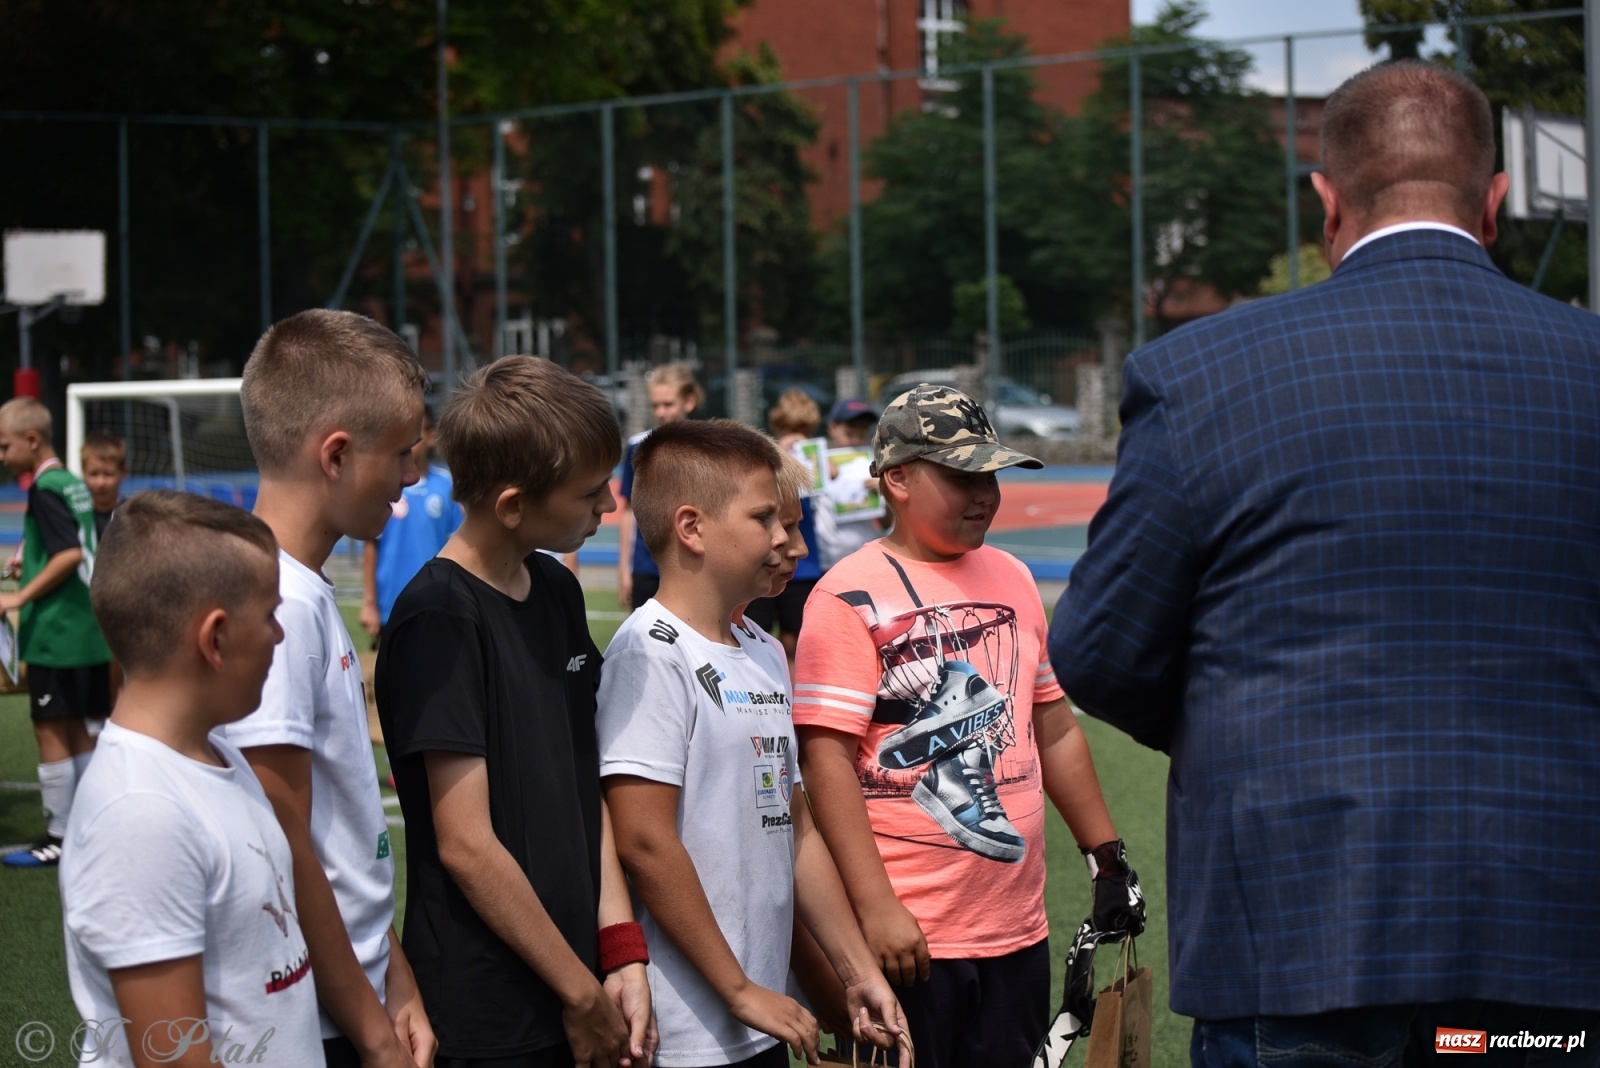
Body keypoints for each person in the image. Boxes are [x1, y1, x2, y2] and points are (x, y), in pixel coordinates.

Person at [1050, 60, 1600, 1066]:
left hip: (1295, 927)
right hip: (1548, 938)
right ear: (1496, 200)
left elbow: (1099, 649)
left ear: (1325, 199)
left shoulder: (1199, 374)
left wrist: (1249, 717)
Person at [793, 384, 1144, 1068]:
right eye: (960, 476)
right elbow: (825, 759)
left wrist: (1106, 855)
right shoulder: (846, 594)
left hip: (1015, 926)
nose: (983, 494)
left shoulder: (1011, 576)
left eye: (991, 476)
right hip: (908, 933)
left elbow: (1054, 725)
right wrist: (876, 907)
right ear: (896, 479)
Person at [598, 418, 907, 1068]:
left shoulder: (764, 649)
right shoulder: (649, 653)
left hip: (762, 1019)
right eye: (765, 518)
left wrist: (856, 974)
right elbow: (645, 841)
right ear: (692, 528)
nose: (783, 537)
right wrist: (738, 989)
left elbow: (794, 827)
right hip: (686, 1034)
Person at [376, 357, 655, 1068]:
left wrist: (620, 953)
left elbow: (580, 781)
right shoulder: (440, 615)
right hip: (491, 1007)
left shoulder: (557, 594)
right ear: (512, 505)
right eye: (590, 493)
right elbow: (466, 844)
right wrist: (579, 995)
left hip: (580, 977)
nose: (607, 507)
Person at [224, 309, 436, 1068]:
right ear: (338, 455)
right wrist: (371, 1028)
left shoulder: (300, 591)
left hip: (348, 989)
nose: (412, 477)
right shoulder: (275, 601)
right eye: (402, 453)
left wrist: (395, 975)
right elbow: (283, 835)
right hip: (313, 1015)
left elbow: (341, 844)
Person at [61, 490, 322, 1068]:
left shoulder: (219, 754)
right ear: (215, 639)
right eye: (270, 616)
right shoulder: (140, 813)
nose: (280, 635)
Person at [0, 397, 113, 869]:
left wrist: (18, 598)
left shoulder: (45, 487)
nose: (2, 456)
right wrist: (31, 554)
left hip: (57, 632)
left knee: (49, 729)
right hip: (87, 629)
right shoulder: (71, 482)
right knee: (81, 731)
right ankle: (91, 832)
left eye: (4, 446)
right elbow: (75, 542)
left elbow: (68, 554)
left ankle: (58, 839)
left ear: (31, 440)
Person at [361, 401, 462, 645]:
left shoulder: (447, 486)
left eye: (414, 435)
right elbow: (371, 547)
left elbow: (459, 549)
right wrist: (370, 604)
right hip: (390, 608)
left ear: (430, 436)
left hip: (437, 606)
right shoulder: (385, 485)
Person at [616, 363, 701, 611]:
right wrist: (624, 569)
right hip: (646, 566)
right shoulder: (638, 446)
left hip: (693, 567)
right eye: (656, 406)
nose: (661, 413)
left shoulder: (708, 448)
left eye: (668, 404)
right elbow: (629, 511)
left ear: (689, 401)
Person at [746, 391, 823, 661]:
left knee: (797, 639)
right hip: (768, 558)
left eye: (802, 430)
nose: (795, 436)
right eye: (789, 429)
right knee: (756, 631)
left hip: (807, 566)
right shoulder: (765, 461)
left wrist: (821, 465)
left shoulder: (820, 460)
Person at [810, 399, 881, 575]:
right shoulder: (816, 462)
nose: (856, 440)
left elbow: (885, 521)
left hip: (866, 558)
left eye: (862, 434)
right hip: (827, 563)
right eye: (849, 434)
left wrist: (883, 490)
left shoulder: (873, 466)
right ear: (831, 428)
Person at [81, 429, 128, 541]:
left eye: (108, 474)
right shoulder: (75, 516)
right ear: (83, 473)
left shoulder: (131, 516)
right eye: (93, 474)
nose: (100, 482)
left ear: (123, 473)